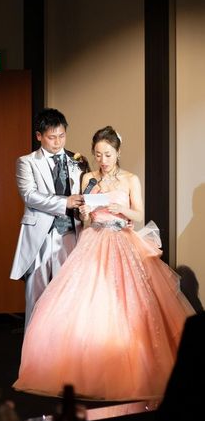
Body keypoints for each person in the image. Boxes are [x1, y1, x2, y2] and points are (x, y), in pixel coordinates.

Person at [13, 126, 195, 400]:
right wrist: (85, 212)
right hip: (93, 241)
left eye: (108, 154)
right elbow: (85, 219)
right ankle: (83, 368)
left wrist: (122, 209)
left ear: (118, 152)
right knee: (87, 301)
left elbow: (139, 214)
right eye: (98, 154)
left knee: (126, 301)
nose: (103, 160)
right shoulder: (88, 178)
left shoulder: (130, 179)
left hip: (122, 240)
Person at [10, 108, 88, 325]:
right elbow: (29, 195)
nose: (58, 142)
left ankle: (65, 343)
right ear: (39, 136)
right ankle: (34, 345)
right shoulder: (27, 162)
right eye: (52, 137)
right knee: (37, 295)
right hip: (40, 236)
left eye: (62, 136)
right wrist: (64, 202)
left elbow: (86, 192)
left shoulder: (78, 160)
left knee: (69, 294)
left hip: (72, 233)